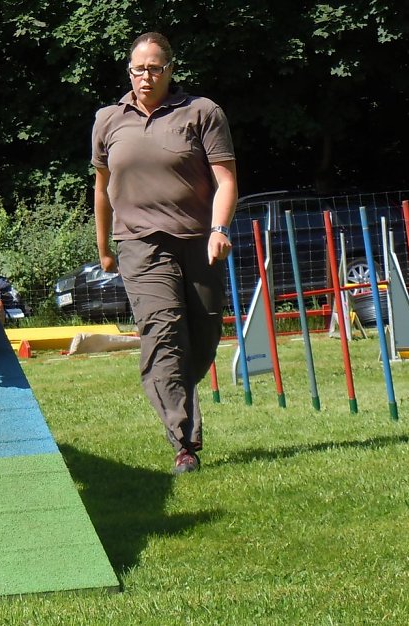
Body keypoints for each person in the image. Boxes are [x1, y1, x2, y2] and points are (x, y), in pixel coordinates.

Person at [92, 32, 238, 474]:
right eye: (138, 69)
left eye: (155, 68)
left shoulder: (202, 112)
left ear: (171, 69)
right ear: (129, 72)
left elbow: (226, 180)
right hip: (139, 243)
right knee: (163, 334)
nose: (146, 76)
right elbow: (101, 189)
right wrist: (103, 247)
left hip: (198, 240)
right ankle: (184, 443)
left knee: (202, 337)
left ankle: (175, 397)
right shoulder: (108, 120)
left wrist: (218, 229)